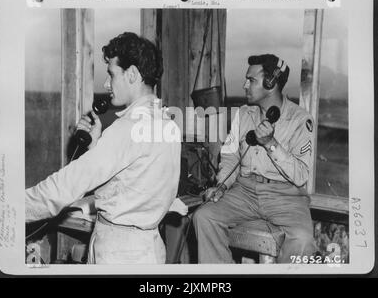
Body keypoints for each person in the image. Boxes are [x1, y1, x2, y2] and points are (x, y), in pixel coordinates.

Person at [26, 32, 182, 264]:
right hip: (149, 247)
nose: (106, 84)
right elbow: (133, 181)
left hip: (118, 252)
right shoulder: (168, 123)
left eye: (111, 74)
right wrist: (97, 145)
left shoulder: (127, 128)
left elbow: (65, 186)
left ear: (131, 74)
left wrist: (12, 207)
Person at [193, 54, 317, 263]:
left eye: (251, 80)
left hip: (286, 197)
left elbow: (301, 175)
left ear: (270, 83)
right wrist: (221, 186)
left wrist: (271, 143)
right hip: (245, 191)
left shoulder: (300, 120)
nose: (244, 85)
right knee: (203, 217)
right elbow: (231, 155)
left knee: (303, 240)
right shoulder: (243, 114)